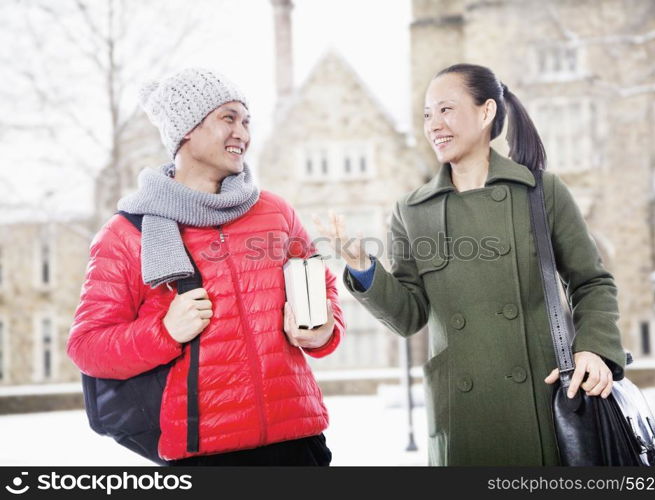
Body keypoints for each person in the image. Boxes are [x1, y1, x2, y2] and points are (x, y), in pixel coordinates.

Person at [315, 63, 625, 466]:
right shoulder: (412, 210)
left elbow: (592, 282)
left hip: (543, 403)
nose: (433, 125)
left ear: (486, 113)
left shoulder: (539, 190)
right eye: (427, 114)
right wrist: (361, 266)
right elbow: (409, 316)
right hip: (462, 417)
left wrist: (594, 350)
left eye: (445, 109)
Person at [67, 67, 344, 466]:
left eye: (247, 121)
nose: (243, 134)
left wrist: (323, 328)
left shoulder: (274, 211)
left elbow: (325, 287)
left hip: (297, 442)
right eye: (228, 118)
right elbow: (87, 347)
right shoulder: (128, 233)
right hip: (203, 456)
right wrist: (163, 333)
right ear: (186, 131)